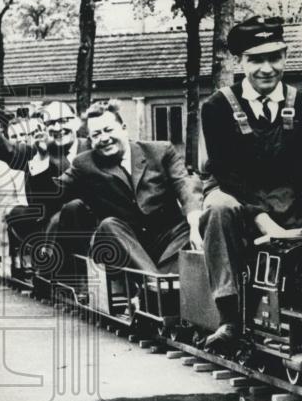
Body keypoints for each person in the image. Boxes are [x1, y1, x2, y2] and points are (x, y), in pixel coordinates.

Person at [200, 15, 302, 346]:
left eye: (274, 58)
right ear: (240, 62)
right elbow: (229, 175)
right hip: (235, 195)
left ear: (285, 57)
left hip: (290, 196)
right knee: (217, 210)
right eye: (256, 60)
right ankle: (230, 318)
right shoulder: (217, 107)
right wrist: (269, 226)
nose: (266, 68)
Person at [55, 100, 202, 274]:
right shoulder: (84, 163)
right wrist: (40, 160)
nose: (104, 138)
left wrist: (195, 223)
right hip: (125, 246)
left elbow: (184, 186)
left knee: (198, 223)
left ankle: (160, 284)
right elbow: (53, 193)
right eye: (96, 135)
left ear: (124, 128)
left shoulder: (160, 151)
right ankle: (155, 282)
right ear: (90, 140)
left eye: (108, 130)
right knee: (108, 225)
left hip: (168, 241)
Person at [0, 102, 85, 263]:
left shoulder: (94, 148)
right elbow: (6, 151)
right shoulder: (37, 151)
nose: (58, 128)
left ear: (76, 122)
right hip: (53, 230)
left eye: (64, 120)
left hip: (90, 224)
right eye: (51, 123)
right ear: (44, 128)